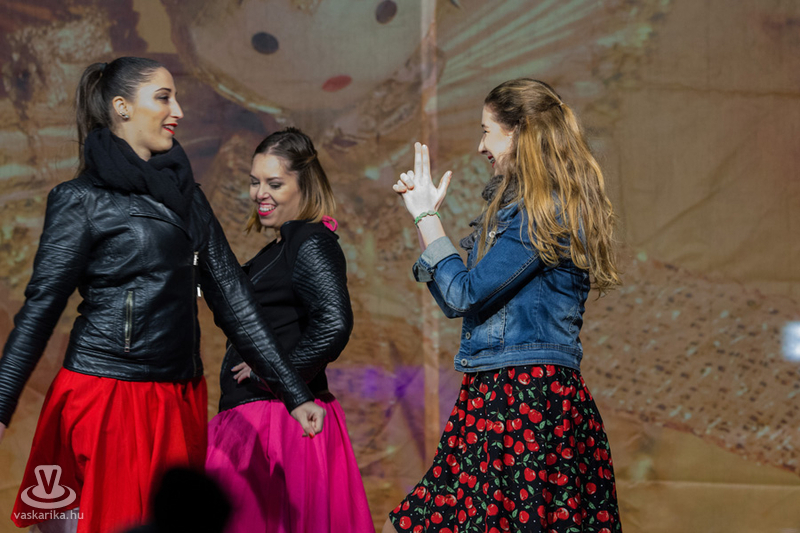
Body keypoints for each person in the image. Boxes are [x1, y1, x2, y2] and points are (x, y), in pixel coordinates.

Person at [0, 57, 324, 533]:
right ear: (122, 107)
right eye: (163, 97)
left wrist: (294, 393)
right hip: (109, 394)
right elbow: (41, 308)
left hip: (178, 397)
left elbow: (234, 300)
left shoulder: (187, 197)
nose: (178, 111)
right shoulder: (80, 199)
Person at [384, 79, 623, 533]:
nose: (480, 146)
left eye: (486, 131)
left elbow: (464, 293)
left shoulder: (544, 211)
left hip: (524, 398)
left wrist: (427, 218)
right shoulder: (520, 210)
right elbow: (460, 299)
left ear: (519, 132)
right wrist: (424, 220)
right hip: (499, 392)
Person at [205, 128, 374, 533]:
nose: (260, 193)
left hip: (278, 423)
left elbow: (334, 323)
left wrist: (275, 376)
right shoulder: (280, 247)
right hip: (263, 417)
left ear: (304, 185)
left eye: (274, 183)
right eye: (254, 182)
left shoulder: (310, 241)